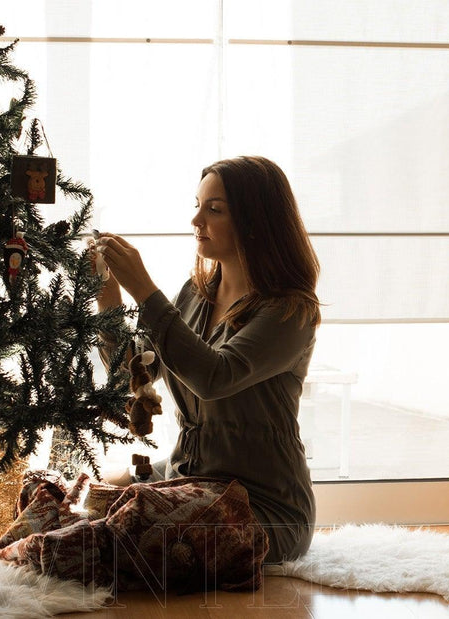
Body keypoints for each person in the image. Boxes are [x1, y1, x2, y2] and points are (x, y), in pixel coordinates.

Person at [91, 156, 321, 564]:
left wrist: (144, 289)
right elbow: (137, 369)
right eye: (197, 205)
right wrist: (107, 292)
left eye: (214, 209)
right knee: (92, 498)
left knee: (127, 531)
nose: (196, 219)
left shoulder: (290, 312)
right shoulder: (195, 294)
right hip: (189, 478)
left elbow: (214, 377)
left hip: (264, 508)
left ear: (256, 221)